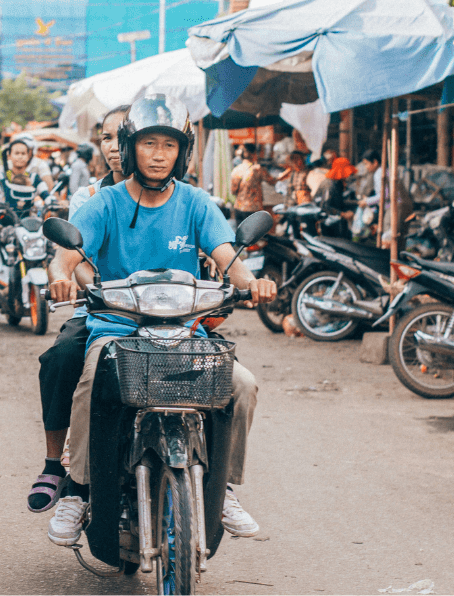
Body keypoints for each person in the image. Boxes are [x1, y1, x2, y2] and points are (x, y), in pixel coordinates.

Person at [43, 94, 277, 547]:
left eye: (168, 146)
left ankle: (222, 487)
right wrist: (59, 279)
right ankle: (78, 487)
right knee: (91, 386)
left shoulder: (195, 202)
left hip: (183, 333)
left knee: (242, 385)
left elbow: (228, 257)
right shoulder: (105, 202)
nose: (158, 155)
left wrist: (253, 282)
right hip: (116, 332)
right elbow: (65, 257)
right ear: (131, 148)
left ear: (181, 153)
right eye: (149, 144)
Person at [27, 104, 128, 514]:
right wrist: (84, 284)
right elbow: (73, 255)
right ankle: (55, 463)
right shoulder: (91, 196)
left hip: (167, 314)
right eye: (106, 137)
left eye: (122, 136)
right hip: (103, 310)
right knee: (60, 358)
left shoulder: (183, 197)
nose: (114, 146)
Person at [229, 142, 277, 224]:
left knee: (241, 235)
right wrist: (287, 173)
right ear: (254, 154)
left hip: (238, 207)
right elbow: (272, 181)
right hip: (253, 209)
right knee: (254, 236)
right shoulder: (257, 169)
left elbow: (233, 191)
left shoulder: (236, 170)